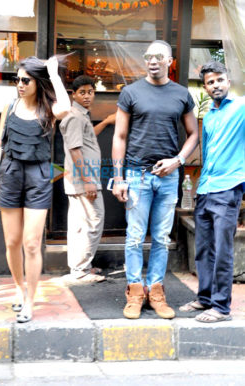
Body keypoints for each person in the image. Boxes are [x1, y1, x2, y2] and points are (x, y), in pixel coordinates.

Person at [112, 40, 198, 319]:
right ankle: (136, 291)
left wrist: (178, 161)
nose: (152, 60)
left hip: (169, 178)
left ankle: (156, 290)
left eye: (159, 56)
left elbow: (193, 134)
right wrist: (118, 177)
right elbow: (119, 136)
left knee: (161, 237)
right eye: (148, 56)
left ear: (170, 61)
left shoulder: (181, 94)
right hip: (136, 175)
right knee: (134, 237)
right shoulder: (131, 92)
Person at [0, 56, 71, 323]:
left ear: (36, 83)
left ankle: (31, 300)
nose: (19, 84)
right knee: (12, 242)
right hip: (10, 174)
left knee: (32, 243)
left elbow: (65, 107)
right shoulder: (9, 108)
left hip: (38, 175)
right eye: (16, 79)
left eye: (25, 80)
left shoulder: (48, 110)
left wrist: (53, 73)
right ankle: (19, 289)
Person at [180, 61, 245, 322]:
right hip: (206, 188)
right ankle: (204, 298)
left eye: (219, 79)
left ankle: (221, 307)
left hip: (228, 189)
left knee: (222, 250)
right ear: (205, 87)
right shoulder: (210, 116)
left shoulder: (241, 107)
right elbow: (207, 153)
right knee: (203, 248)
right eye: (210, 82)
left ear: (228, 81)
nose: (215, 85)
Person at [59, 75, 116, 283]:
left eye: (90, 92)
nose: (86, 96)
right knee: (93, 221)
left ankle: (81, 266)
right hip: (83, 181)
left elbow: (88, 135)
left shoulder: (80, 116)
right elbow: (75, 151)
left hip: (80, 181)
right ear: (73, 94)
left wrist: (108, 121)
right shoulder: (75, 116)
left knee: (80, 225)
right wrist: (89, 181)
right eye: (82, 92)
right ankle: (80, 270)